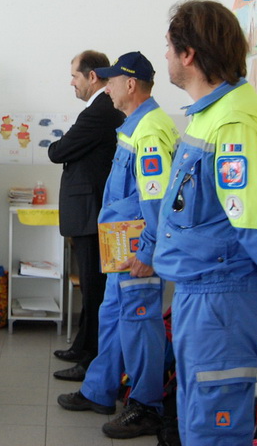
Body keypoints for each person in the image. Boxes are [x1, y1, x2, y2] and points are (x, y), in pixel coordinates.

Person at [154, 0, 257, 446]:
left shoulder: (234, 123)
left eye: (169, 46)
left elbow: (256, 224)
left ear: (188, 54)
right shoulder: (213, 114)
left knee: (214, 431)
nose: (165, 55)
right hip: (206, 293)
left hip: (222, 298)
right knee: (198, 423)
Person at [57, 51, 179, 440]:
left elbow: (156, 200)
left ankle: (146, 405)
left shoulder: (151, 130)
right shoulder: (133, 125)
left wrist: (148, 251)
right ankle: (100, 390)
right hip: (119, 244)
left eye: (110, 82)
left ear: (130, 84)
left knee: (140, 324)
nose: (106, 88)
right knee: (111, 316)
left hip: (136, 246)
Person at [49, 50, 125, 381]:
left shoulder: (100, 109)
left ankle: (91, 358)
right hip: (89, 211)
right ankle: (82, 346)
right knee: (91, 287)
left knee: (94, 288)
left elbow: (58, 152)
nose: (71, 83)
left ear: (92, 76)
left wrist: (60, 145)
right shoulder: (99, 108)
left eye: (75, 76)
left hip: (92, 212)